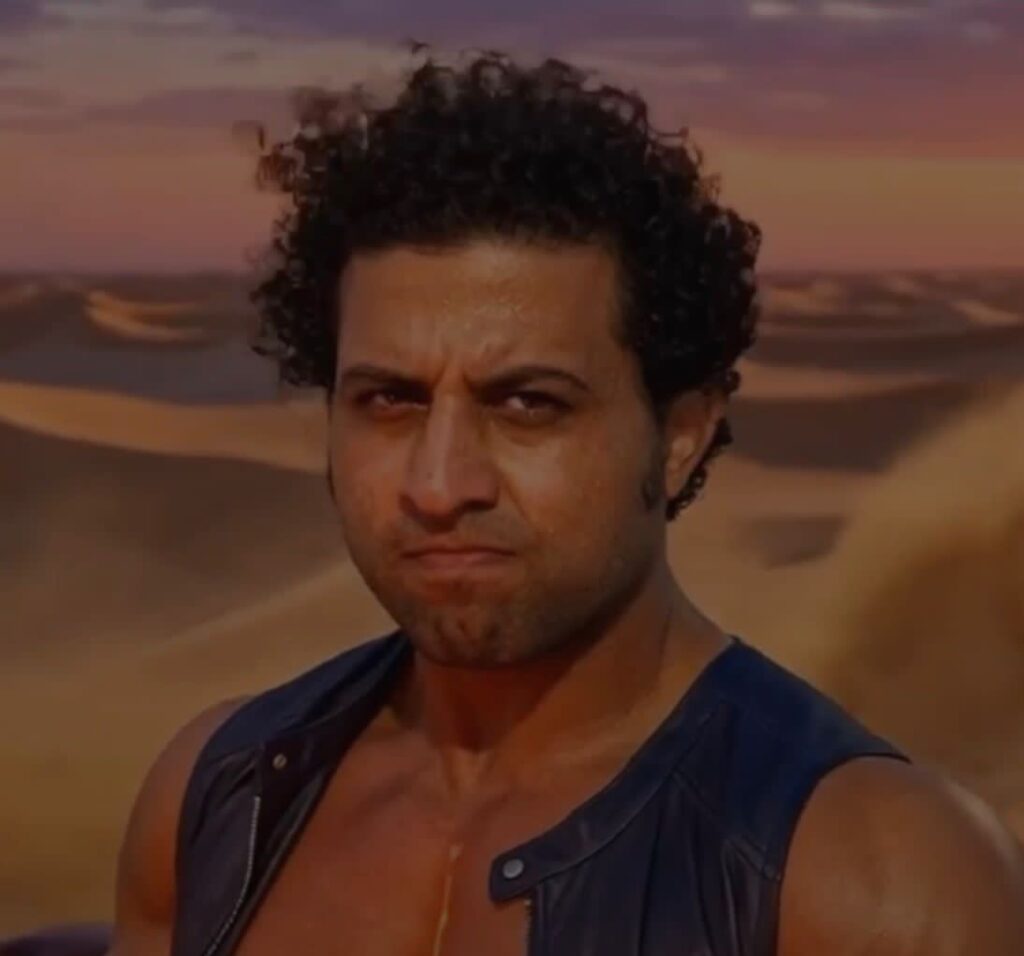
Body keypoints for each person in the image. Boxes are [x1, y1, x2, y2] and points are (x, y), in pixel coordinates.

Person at [108, 45, 1024, 956]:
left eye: (527, 405)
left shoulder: (878, 882)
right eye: (389, 401)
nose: (438, 485)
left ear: (679, 435)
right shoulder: (218, 798)